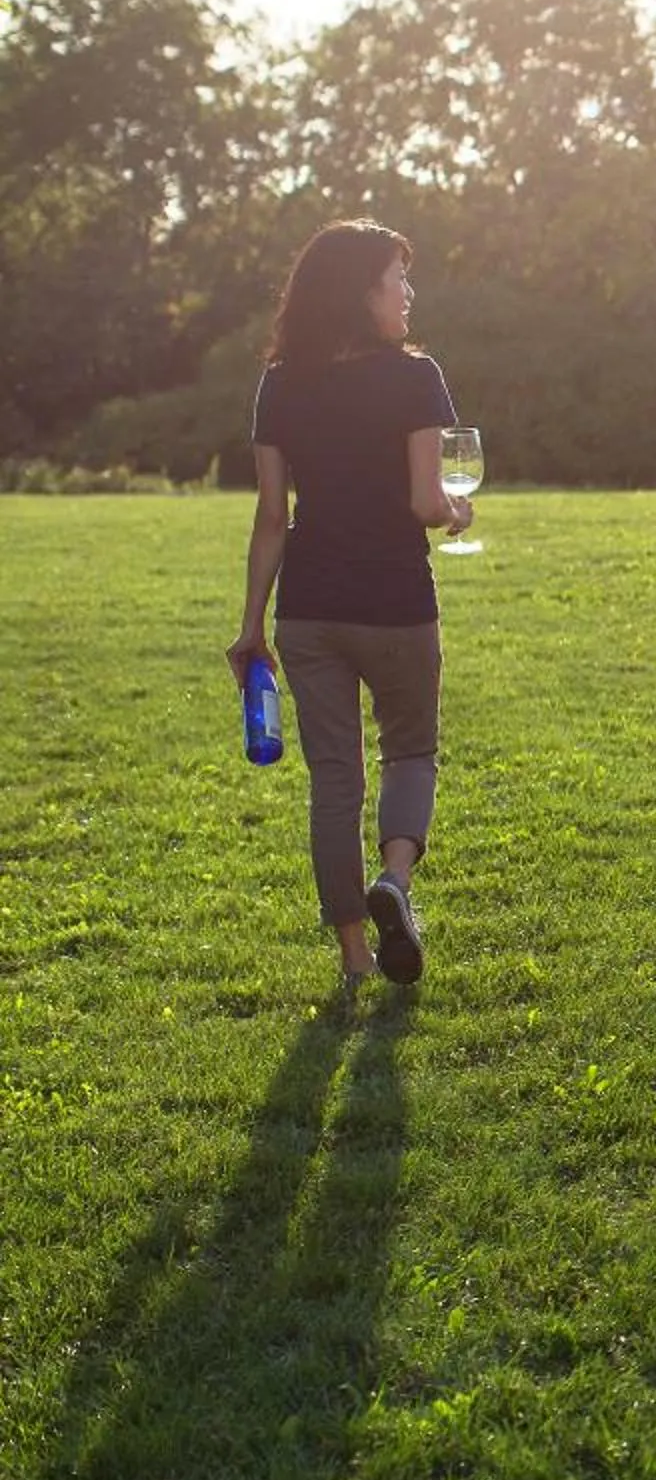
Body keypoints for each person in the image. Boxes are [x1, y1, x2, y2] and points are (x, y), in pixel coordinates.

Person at [226, 220, 472, 988]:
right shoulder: (415, 377)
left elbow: (273, 514)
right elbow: (426, 500)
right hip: (396, 601)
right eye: (397, 279)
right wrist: (456, 514)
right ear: (362, 293)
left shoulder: (278, 382)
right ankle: (394, 880)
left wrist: (249, 628)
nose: (408, 294)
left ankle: (356, 961)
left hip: (308, 608)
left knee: (334, 778)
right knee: (410, 751)